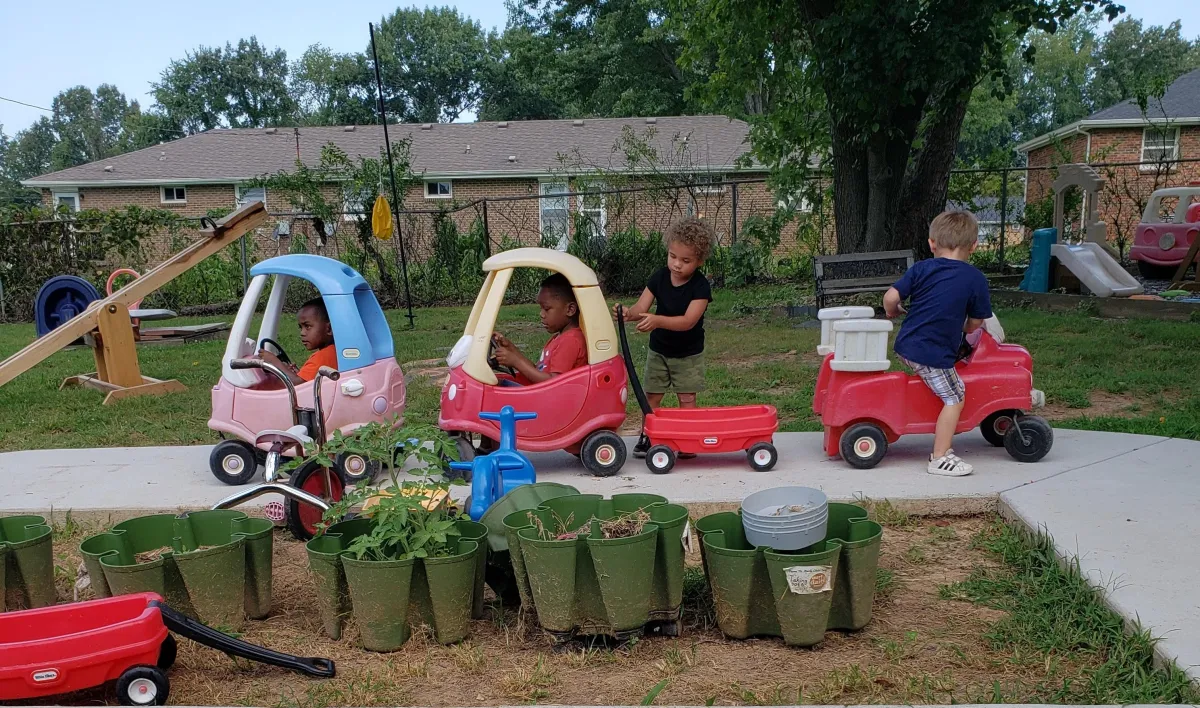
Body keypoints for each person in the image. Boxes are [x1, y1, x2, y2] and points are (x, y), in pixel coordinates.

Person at [883, 211, 992, 477]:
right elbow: (977, 322)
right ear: (974, 246)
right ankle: (940, 456)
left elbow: (889, 297)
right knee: (955, 396)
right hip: (930, 353)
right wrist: (964, 328)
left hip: (908, 344)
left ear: (932, 243)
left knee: (944, 382)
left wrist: (893, 311)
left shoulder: (921, 268)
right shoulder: (975, 278)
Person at [613, 216, 715, 458]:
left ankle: (687, 439)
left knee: (687, 397)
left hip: (688, 354)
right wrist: (629, 314)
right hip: (659, 351)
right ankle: (648, 435)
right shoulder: (659, 277)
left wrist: (657, 320)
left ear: (699, 261)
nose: (677, 264)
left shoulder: (700, 288)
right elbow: (641, 306)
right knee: (652, 396)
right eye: (672, 256)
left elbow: (688, 321)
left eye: (685, 260)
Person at [492, 273, 588, 385]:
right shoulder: (560, 337)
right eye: (541, 308)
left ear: (570, 309)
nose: (541, 314)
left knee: (495, 387)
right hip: (542, 395)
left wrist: (516, 361)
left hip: (552, 401)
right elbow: (537, 371)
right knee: (495, 383)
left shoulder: (570, 341)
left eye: (546, 309)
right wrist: (511, 349)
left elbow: (554, 383)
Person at [257, 297, 337, 385]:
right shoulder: (333, 351)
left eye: (308, 326)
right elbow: (306, 381)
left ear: (328, 329)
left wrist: (275, 362)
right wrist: (295, 373)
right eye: (301, 327)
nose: (302, 333)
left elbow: (296, 385)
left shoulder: (324, 356)